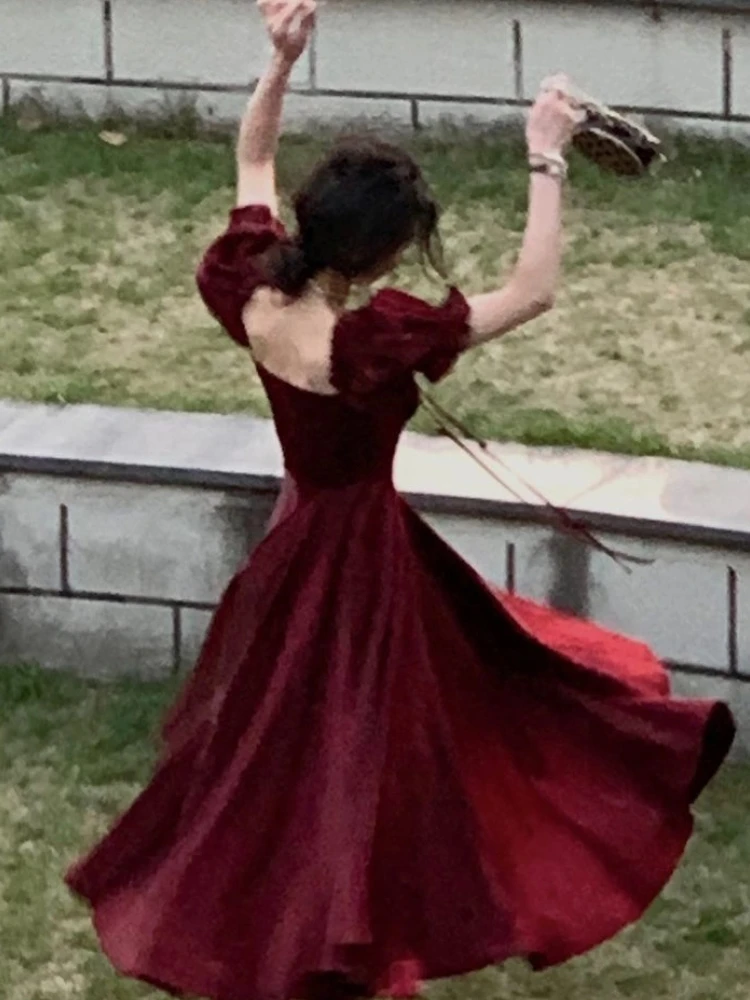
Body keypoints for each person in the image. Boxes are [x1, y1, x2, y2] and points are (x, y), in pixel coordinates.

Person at [65, 3, 735, 999]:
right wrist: (545, 153)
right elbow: (533, 291)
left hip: (297, 536)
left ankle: (308, 917)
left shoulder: (252, 288)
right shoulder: (370, 344)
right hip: (362, 557)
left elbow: (253, 158)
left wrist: (280, 61)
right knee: (398, 734)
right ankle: (344, 933)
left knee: (293, 745)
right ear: (378, 257)